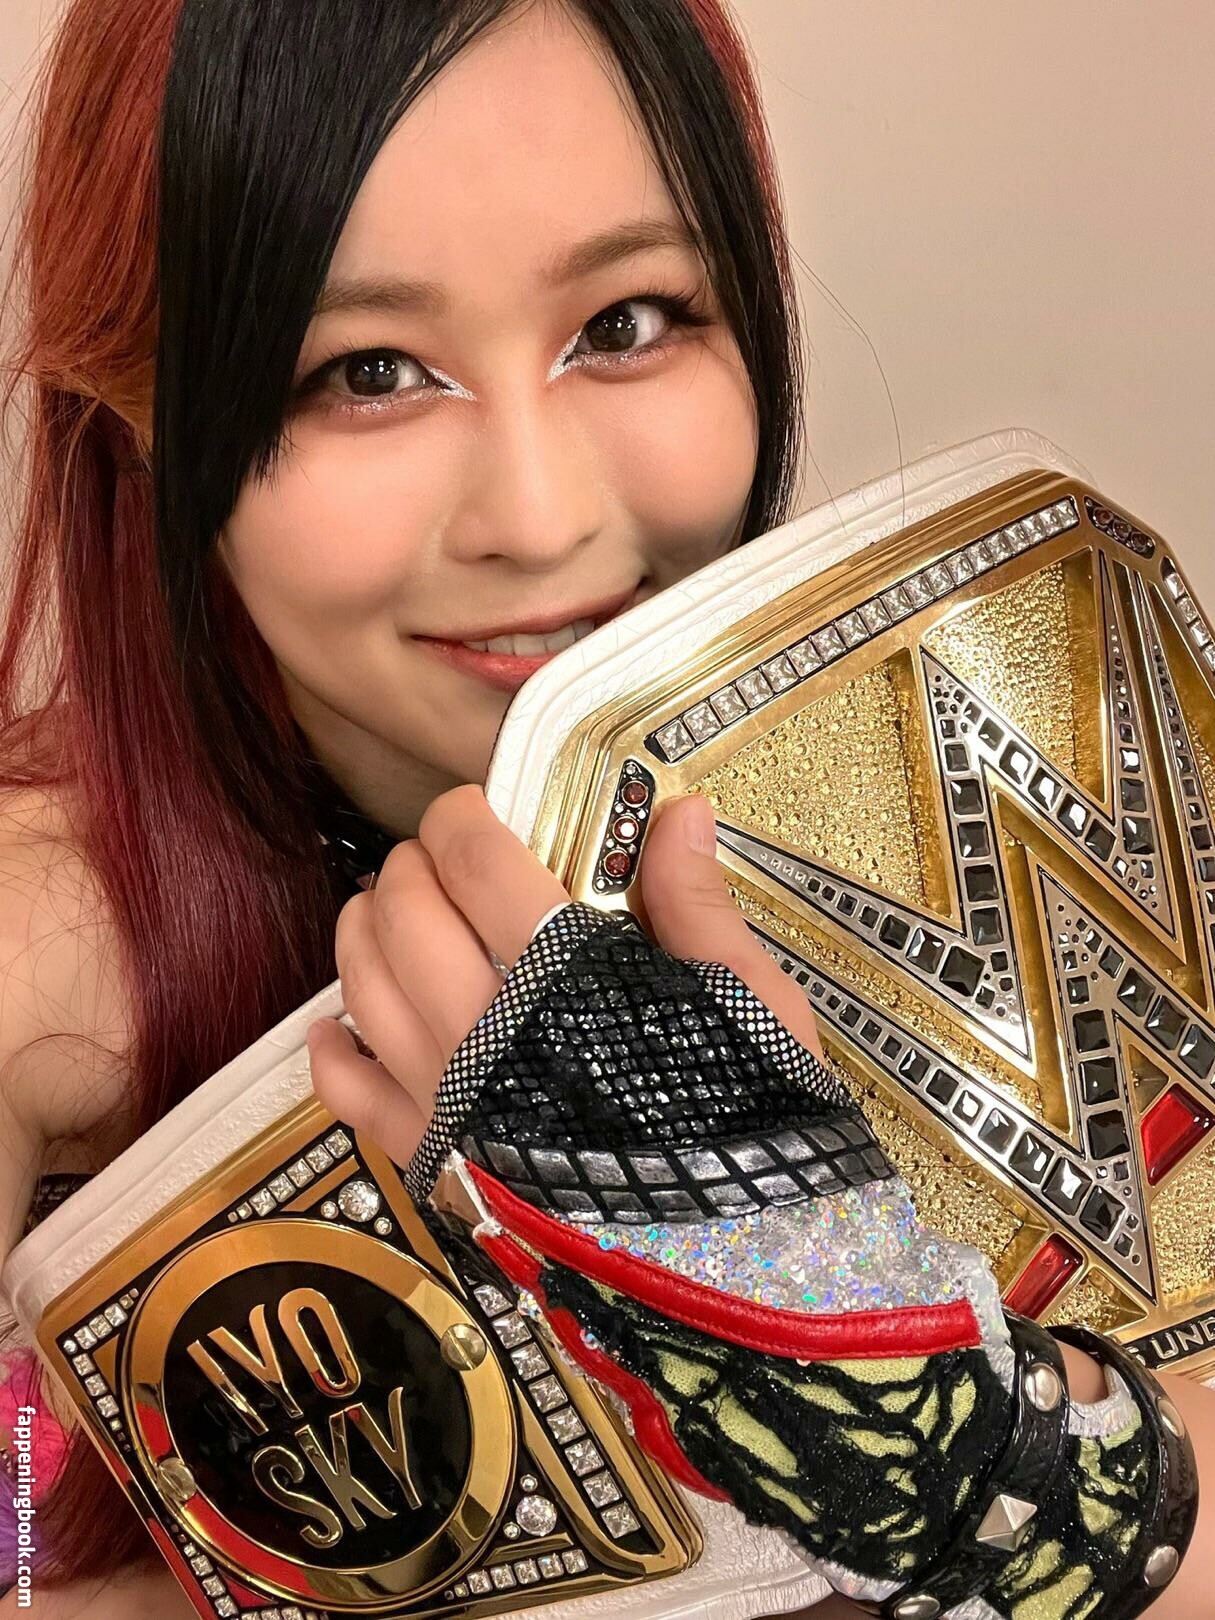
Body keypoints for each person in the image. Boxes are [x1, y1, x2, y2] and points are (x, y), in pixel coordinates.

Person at [0, 1, 1209, 1616]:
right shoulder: (35, 957)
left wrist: (900, 1401)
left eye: (628, 323)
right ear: (146, 420)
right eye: (369, 370)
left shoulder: (1025, 780)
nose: (543, 513)